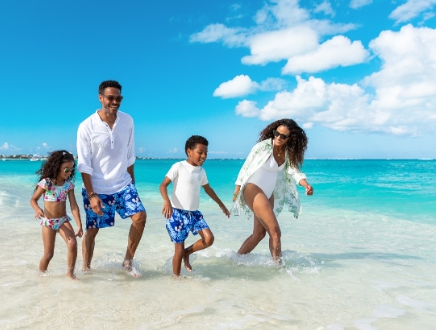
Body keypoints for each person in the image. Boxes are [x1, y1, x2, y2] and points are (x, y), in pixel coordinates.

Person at [77, 80, 146, 276]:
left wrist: (132, 184)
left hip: (123, 184)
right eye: (110, 98)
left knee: (140, 217)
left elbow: (130, 155)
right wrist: (91, 195)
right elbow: (84, 164)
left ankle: (127, 261)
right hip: (96, 188)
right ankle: (86, 268)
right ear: (101, 98)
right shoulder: (86, 126)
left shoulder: (128, 121)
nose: (115, 101)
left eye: (118, 98)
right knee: (92, 230)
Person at [232, 118, 314, 264]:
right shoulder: (262, 147)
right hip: (253, 188)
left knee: (259, 234)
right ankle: (279, 268)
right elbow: (246, 166)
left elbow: (294, 171)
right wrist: (237, 190)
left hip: (268, 193)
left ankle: (235, 260)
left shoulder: (288, 153)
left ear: (290, 138)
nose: (278, 137)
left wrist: (306, 185)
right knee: (275, 232)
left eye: (283, 136)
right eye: (277, 133)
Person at [159, 135, 230, 276]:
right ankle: (176, 279)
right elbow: (163, 185)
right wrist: (166, 201)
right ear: (189, 152)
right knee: (178, 250)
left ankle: (187, 253)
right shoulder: (178, 166)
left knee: (209, 239)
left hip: (194, 214)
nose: (203, 156)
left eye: (206, 153)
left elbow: (208, 189)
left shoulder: (201, 171)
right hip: (177, 214)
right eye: (200, 152)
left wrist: (221, 205)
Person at [29, 150, 83, 280]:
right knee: (48, 254)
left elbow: (74, 206)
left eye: (71, 170)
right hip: (48, 222)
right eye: (66, 169)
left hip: (62, 220)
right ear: (57, 167)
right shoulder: (46, 183)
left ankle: (70, 273)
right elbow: (33, 200)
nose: (69, 172)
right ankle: (41, 276)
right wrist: (37, 209)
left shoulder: (68, 185)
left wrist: (79, 225)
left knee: (72, 244)